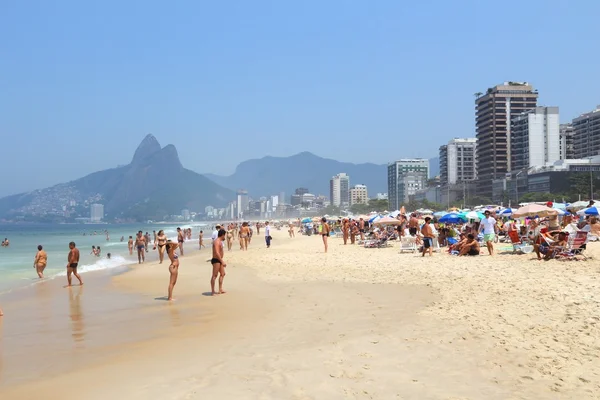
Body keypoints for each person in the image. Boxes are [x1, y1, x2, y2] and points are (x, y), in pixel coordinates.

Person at [210, 229, 227, 296]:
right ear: (222, 235)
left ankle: (220, 289)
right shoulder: (217, 241)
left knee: (223, 274)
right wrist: (222, 261)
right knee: (214, 275)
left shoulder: (220, 241)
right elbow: (217, 252)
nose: (224, 237)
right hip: (216, 260)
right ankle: (213, 291)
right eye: (224, 235)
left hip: (219, 260)